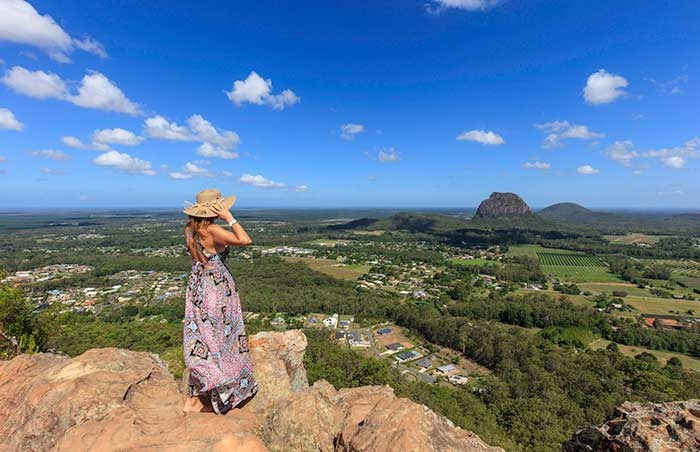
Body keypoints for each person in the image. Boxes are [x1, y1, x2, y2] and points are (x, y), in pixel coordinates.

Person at [181, 189, 257, 414]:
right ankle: (223, 388)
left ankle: (201, 393)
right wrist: (229, 218)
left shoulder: (191, 229)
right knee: (223, 337)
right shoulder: (213, 229)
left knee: (205, 337)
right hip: (217, 288)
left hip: (198, 286)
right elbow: (245, 239)